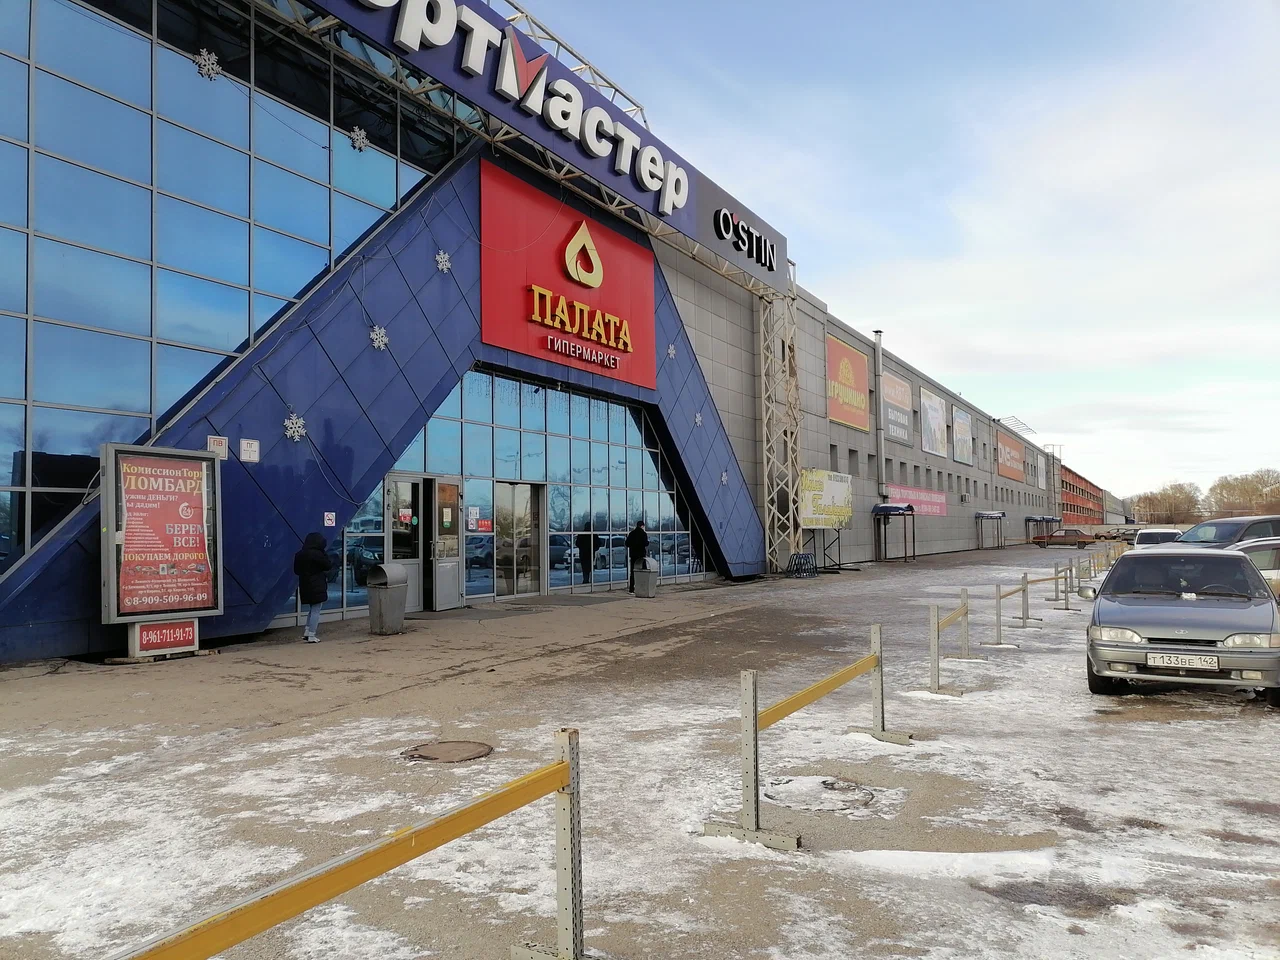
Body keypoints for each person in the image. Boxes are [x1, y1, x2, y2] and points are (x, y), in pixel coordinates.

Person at [293, 532, 332, 643]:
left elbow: (296, 571)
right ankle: (311, 634)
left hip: (305, 584)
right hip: (317, 584)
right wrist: (323, 552)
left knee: (312, 608)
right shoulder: (318, 554)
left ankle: (307, 631)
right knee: (316, 610)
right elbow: (328, 565)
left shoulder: (300, 554)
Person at [625, 520, 649, 594]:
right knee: (643, 571)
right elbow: (646, 543)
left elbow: (627, 543)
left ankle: (631, 589)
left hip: (633, 555)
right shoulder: (643, 534)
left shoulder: (632, 533)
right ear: (642, 526)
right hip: (641, 555)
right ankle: (643, 587)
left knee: (633, 572)